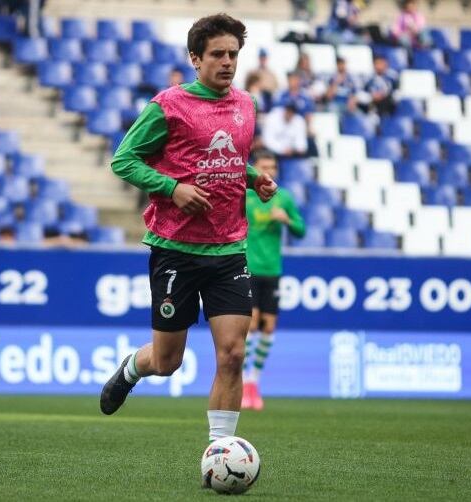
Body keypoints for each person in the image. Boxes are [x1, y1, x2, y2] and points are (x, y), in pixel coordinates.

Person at [100, 14, 278, 448]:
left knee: (232, 354)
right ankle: (131, 369)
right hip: (176, 249)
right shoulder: (169, 105)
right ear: (195, 59)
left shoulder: (246, 106)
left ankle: (220, 451)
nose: (227, 62)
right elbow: (123, 160)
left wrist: (252, 177)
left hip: (229, 250)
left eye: (233, 54)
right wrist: (172, 188)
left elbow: (228, 158)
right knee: (167, 361)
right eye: (217, 54)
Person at [241, 151, 305, 411]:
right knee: (252, 324)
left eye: (274, 166)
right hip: (248, 267)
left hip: (272, 269)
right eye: (265, 166)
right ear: (256, 169)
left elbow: (301, 230)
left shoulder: (284, 197)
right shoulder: (245, 196)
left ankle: (255, 381)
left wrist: (287, 220)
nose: (271, 170)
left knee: (268, 328)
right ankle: (245, 383)